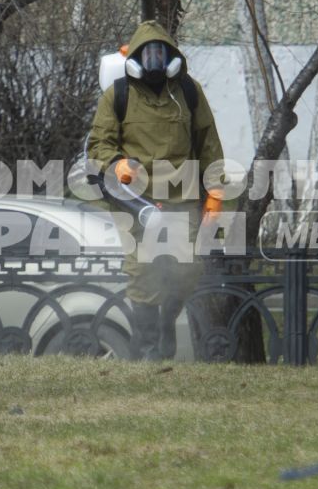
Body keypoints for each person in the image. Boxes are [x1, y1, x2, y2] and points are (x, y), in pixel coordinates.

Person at [84, 20, 226, 359]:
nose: (155, 61)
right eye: (148, 54)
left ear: (171, 57)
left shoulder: (188, 92)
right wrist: (116, 163)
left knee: (188, 268)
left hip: (183, 197)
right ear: (135, 57)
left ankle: (165, 324)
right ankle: (148, 349)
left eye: (161, 53)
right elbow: (98, 145)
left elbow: (209, 144)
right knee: (142, 271)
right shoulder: (116, 95)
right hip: (135, 201)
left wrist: (215, 193)